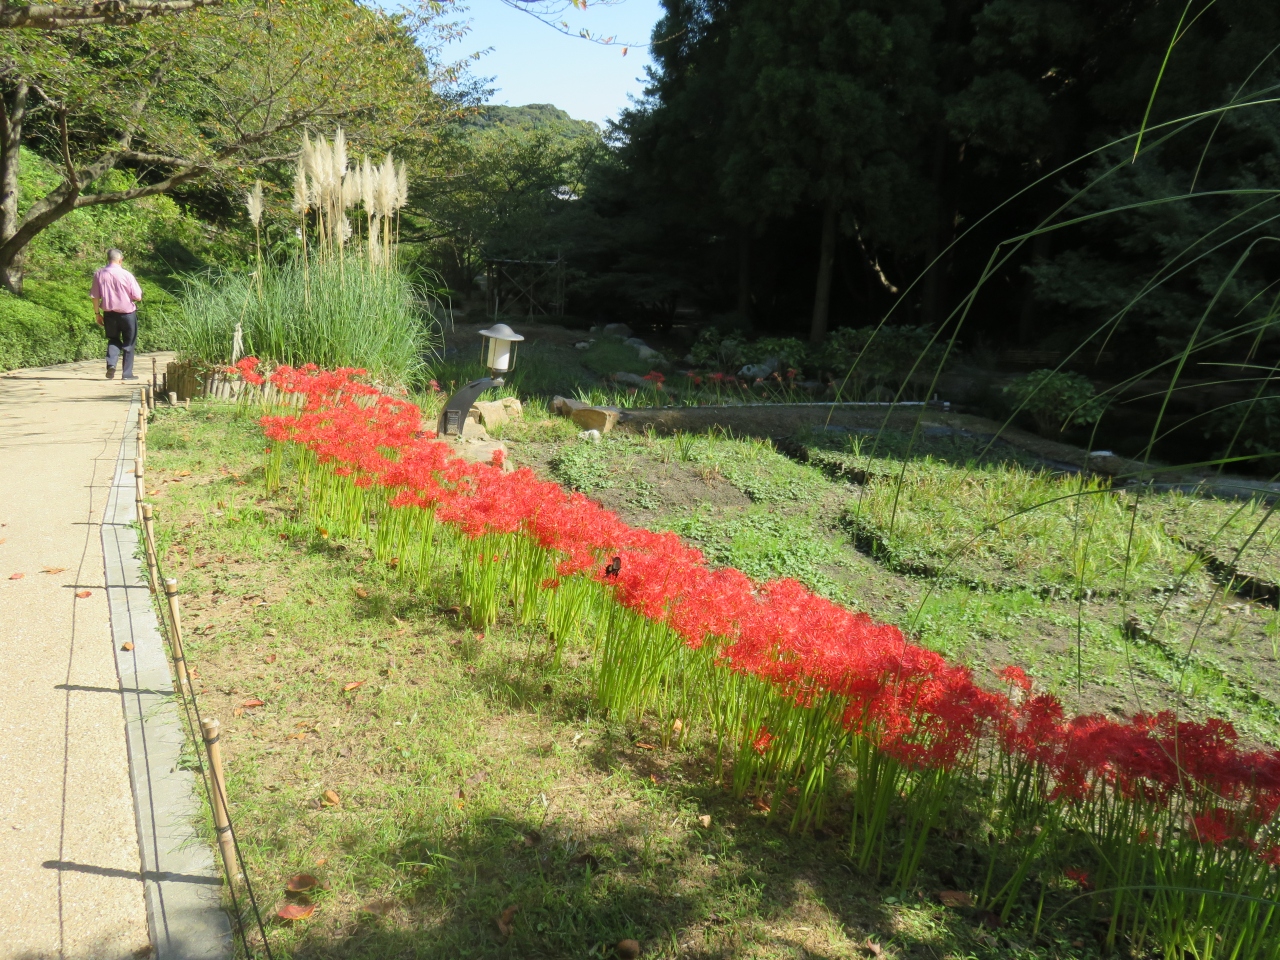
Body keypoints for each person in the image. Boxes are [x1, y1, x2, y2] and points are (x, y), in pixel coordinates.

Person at [90, 248, 143, 380]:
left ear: (108, 259)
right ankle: (127, 374)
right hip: (127, 314)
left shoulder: (99, 274)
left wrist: (97, 313)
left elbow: (94, 296)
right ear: (120, 260)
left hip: (109, 314)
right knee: (129, 343)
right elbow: (137, 296)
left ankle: (111, 365)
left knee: (113, 339)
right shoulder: (127, 275)